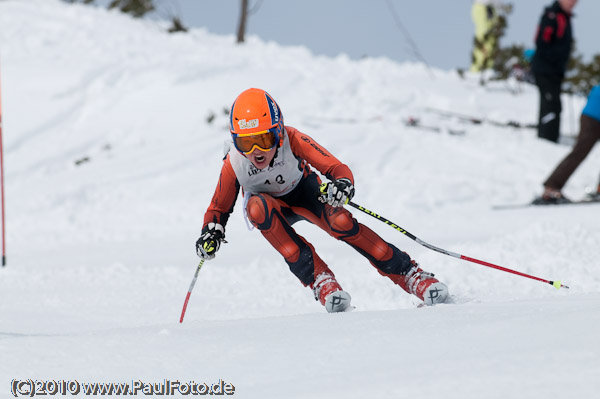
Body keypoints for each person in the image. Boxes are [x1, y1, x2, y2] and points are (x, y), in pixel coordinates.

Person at [195, 88, 449, 312]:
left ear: (278, 132)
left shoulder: (292, 139)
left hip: (305, 192)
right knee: (256, 208)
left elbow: (336, 168)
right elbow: (218, 208)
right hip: (271, 208)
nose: (256, 152)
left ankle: (410, 274)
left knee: (340, 221)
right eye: (245, 143)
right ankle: (320, 280)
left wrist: (342, 184)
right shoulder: (234, 163)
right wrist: (211, 233)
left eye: (263, 140)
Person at [535, 85, 600, 204]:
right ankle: (551, 188)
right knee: (579, 152)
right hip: (594, 117)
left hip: (591, 114)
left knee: (579, 152)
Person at [531, 0, 577, 143]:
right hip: (546, 69)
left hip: (555, 71)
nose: (573, 3)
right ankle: (546, 138)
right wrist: (555, 59)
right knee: (549, 104)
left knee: (555, 104)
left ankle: (551, 136)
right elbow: (542, 41)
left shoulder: (564, 16)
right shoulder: (552, 16)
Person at [470, 0, 506, 73]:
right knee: (483, 38)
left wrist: (502, 6)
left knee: (492, 40)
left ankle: (488, 69)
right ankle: (477, 70)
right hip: (481, 7)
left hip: (491, 9)